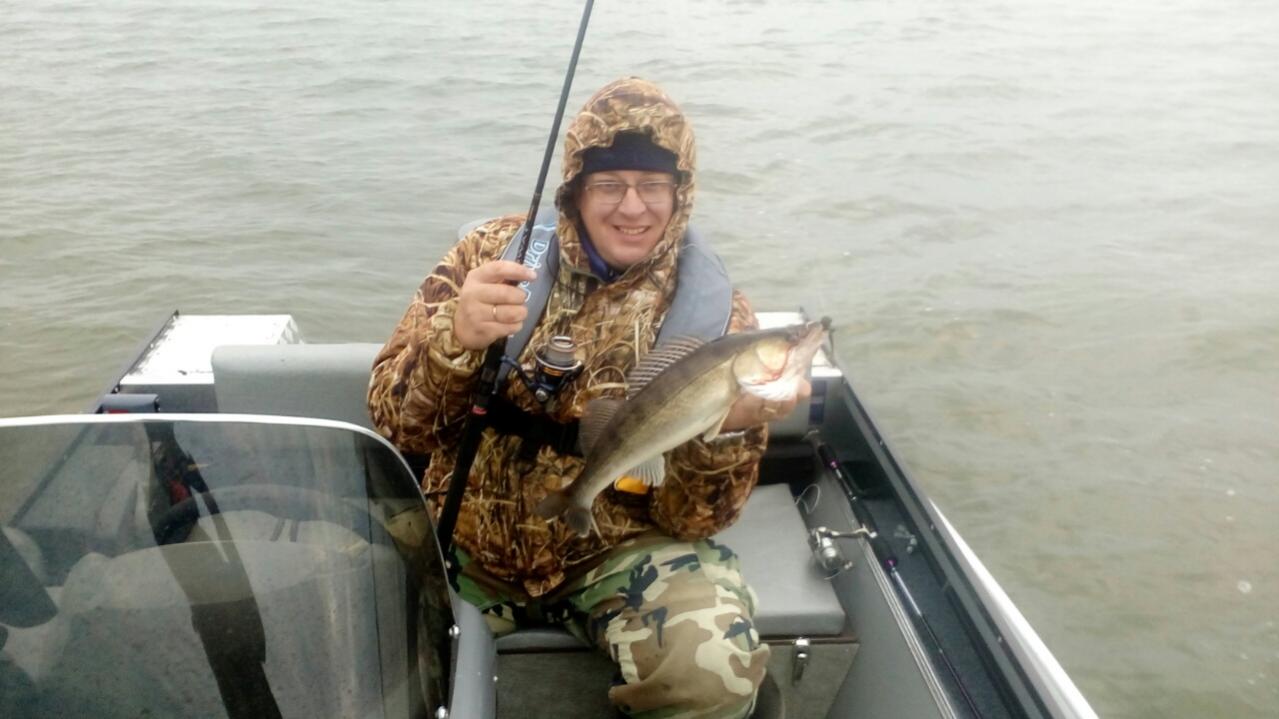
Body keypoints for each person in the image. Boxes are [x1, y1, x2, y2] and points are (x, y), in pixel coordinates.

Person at [368, 77, 808, 719]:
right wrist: (452, 341)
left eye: (652, 185)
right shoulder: (490, 257)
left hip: (621, 550)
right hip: (463, 540)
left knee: (714, 676)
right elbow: (393, 424)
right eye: (609, 185)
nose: (633, 207)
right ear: (575, 189)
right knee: (360, 637)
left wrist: (730, 431)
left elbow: (695, 521)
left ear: (680, 193)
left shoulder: (720, 319)